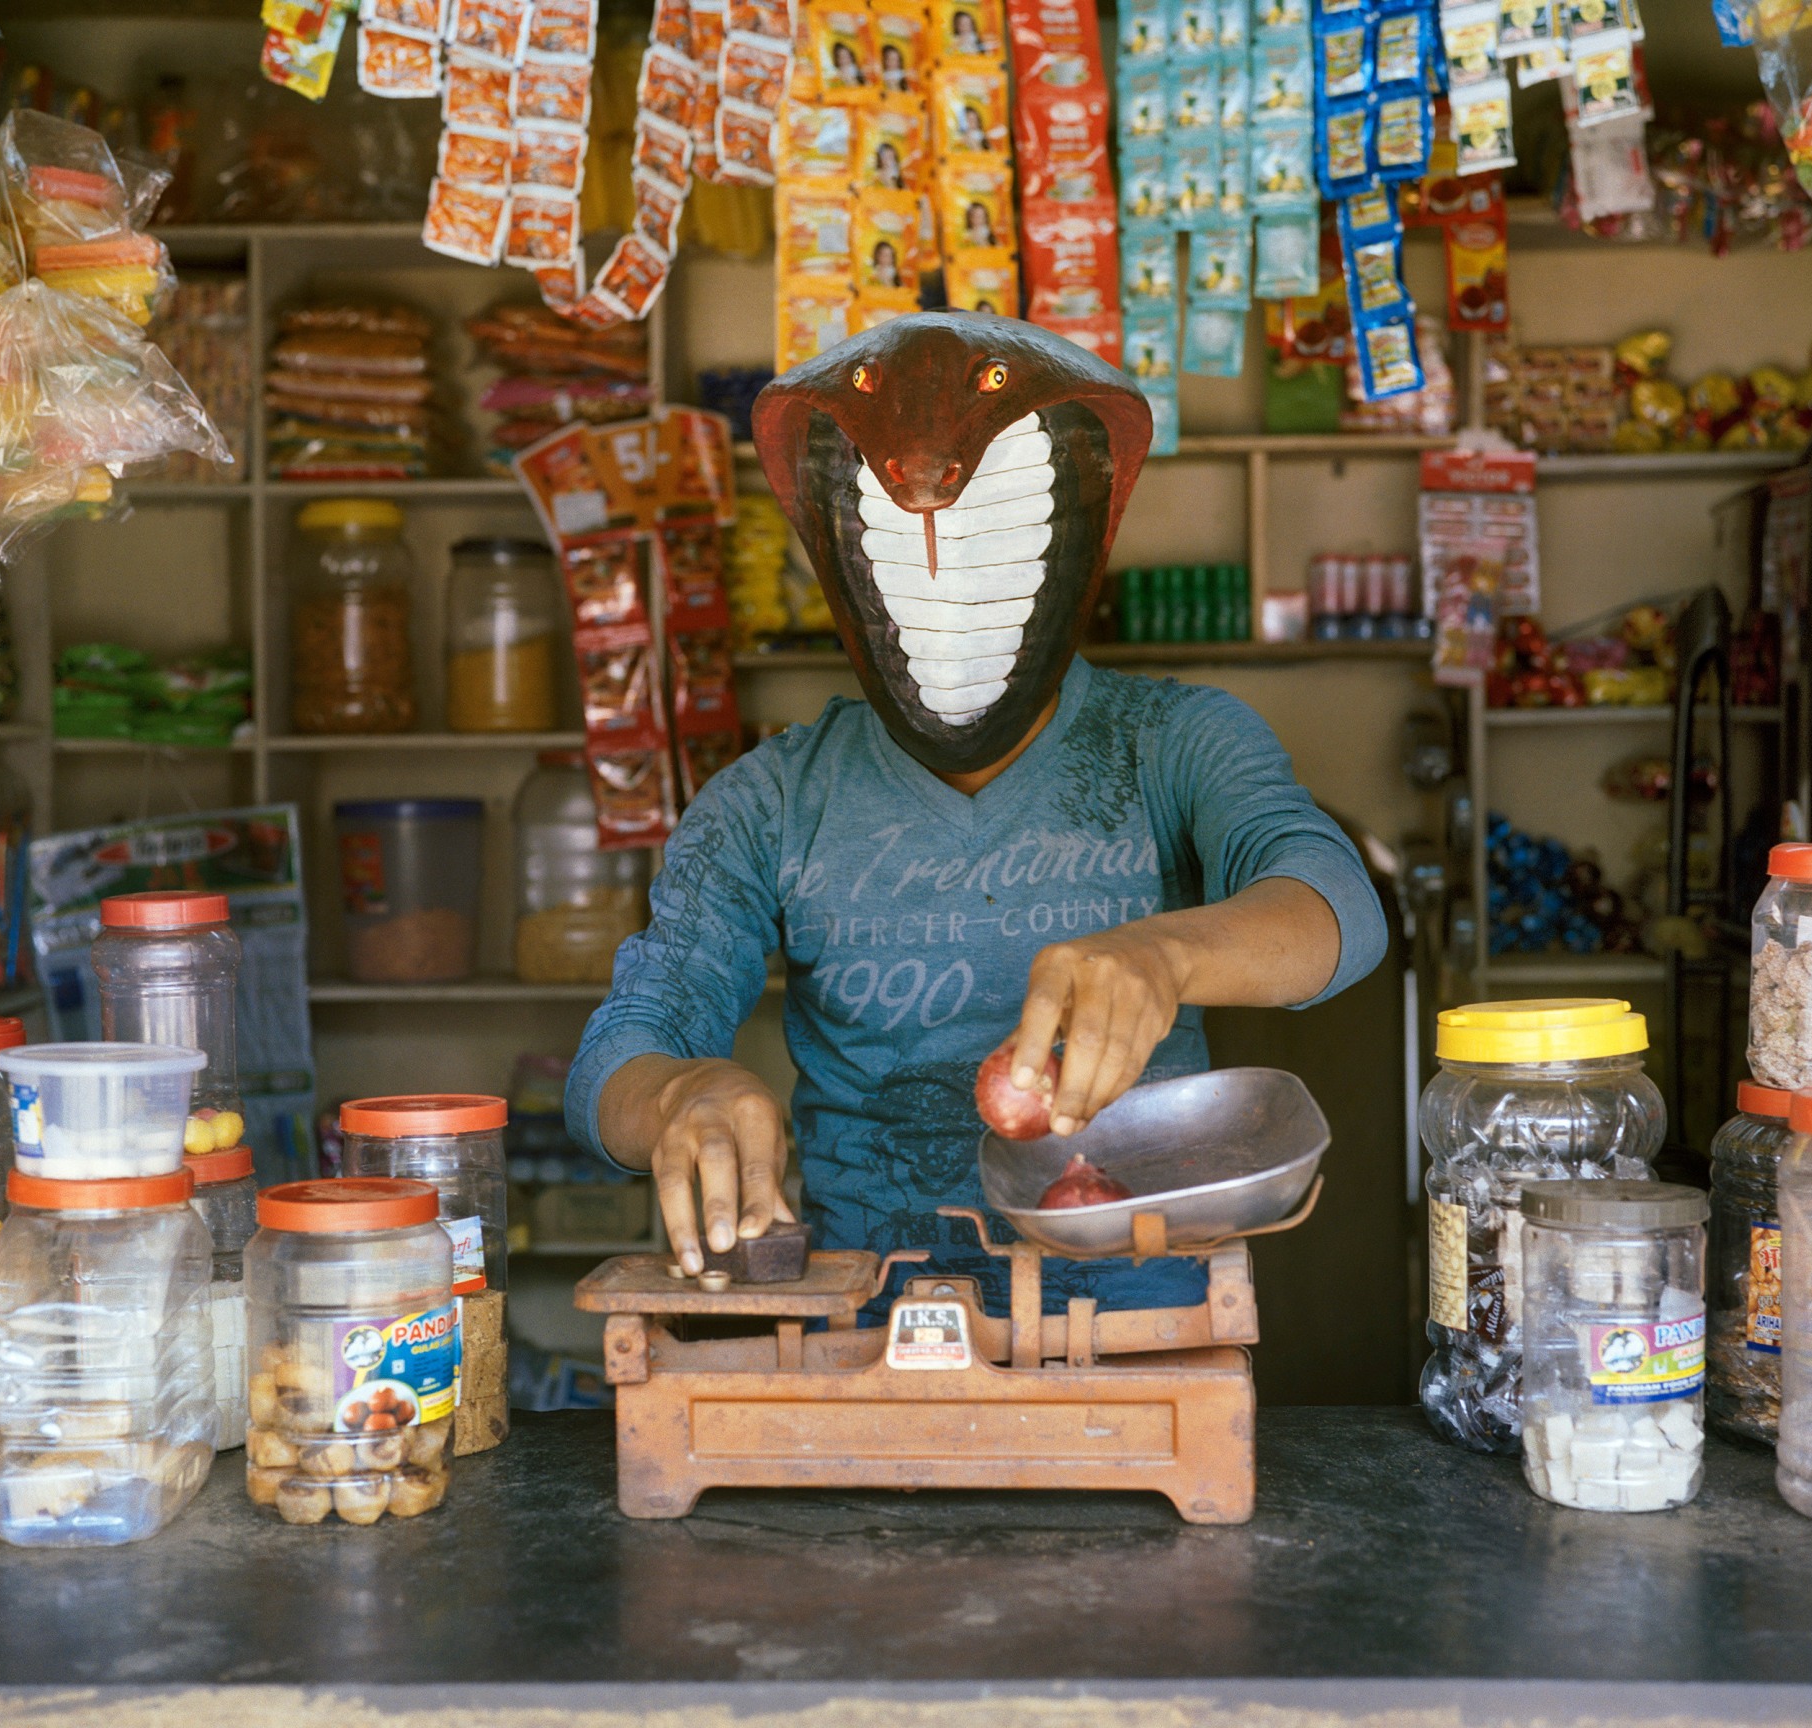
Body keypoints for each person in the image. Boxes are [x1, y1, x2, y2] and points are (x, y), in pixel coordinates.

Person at [570, 313, 1385, 1316]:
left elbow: (1336, 907)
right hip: (865, 1326)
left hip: (1140, 1315)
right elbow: (624, 1043)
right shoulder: (768, 799)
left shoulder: (1174, 741)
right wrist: (678, 1098)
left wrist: (1164, 958)